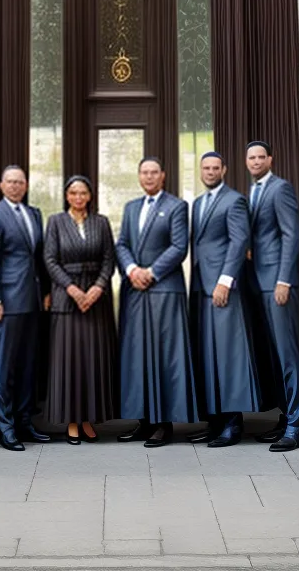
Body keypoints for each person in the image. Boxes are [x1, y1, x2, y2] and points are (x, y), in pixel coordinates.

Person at [189, 150, 271, 447]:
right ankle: (214, 422)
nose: (210, 172)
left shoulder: (234, 200)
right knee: (208, 355)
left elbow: (239, 241)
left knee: (228, 356)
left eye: (215, 167)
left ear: (224, 169)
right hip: (200, 288)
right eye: (205, 168)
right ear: (201, 171)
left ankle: (233, 424)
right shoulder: (198, 203)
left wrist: (225, 281)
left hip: (225, 289)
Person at [115, 157, 198, 447]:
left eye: (154, 173)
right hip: (134, 292)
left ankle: (164, 423)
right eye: (144, 173)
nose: (149, 177)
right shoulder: (130, 208)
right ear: (139, 176)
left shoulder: (176, 206)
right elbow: (121, 244)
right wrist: (131, 270)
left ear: (163, 176)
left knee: (165, 356)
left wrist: (150, 273)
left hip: (164, 291)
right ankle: (143, 421)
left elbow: (179, 247)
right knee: (137, 357)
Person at [0, 165, 52, 451]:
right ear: (2, 185)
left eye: (20, 182)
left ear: (25, 185)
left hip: (33, 301)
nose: (15, 186)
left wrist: (45, 292)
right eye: (10, 182)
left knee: (27, 366)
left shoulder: (34, 213)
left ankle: (24, 422)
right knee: (5, 366)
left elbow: (38, 257)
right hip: (6, 303)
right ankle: (6, 427)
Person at [43, 175, 119, 443]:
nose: (78, 197)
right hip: (67, 299)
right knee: (69, 363)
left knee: (92, 362)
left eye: (83, 192)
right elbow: (50, 260)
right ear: (67, 196)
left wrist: (97, 288)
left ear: (89, 196)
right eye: (73, 192)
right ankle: (72, 420)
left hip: (96, 301)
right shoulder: (55, 222)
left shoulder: (101, 222)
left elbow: (109, 259)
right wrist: (73, 290)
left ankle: (89, 418)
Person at [246, 140, 299, 451]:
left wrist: (284, 279)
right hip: (258, 284)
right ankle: (285, 418)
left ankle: (296, 427)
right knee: (273, 357)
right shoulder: (252, 192)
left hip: (278, 284)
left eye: (261, 156)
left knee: (288, 355)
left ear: (270, 159)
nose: (256, 161)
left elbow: (291, 234)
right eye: (251, 157)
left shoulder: (280, 188)